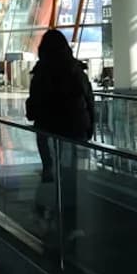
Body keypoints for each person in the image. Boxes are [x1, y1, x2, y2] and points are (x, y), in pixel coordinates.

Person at [26, 30, 95, 239]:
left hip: (47, 131)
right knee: (70, 175)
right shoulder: (76, 72)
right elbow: (89, 100)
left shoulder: (40, 74)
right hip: (74, 131)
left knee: (50, 171)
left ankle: (47, 215)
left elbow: (32, 110)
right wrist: (90, 126)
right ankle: (70, 223)